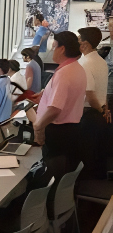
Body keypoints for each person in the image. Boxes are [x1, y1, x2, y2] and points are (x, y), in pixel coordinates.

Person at [29, 31, 86, 178]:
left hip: (58, 133)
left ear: (62, 48)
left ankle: (49, 201)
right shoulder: (77, 68)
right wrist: (45, 95)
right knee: (63, 173)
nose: (52, 50)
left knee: (52, 175)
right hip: (71, 130)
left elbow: (55, 109)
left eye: (54, 46)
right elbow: (66, 96)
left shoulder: (64, 73)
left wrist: (38, 127)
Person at [79, 27, 110, 166]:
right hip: (100, 110)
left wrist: (100, 109)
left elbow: (90, 95)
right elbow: (103, 89)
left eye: (79, 39)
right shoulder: (102, 62)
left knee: (88, 152)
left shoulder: (85, 64)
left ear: (85, 43)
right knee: (98, 150)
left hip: (90, 112)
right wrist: (105, 109)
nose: (77, 42)